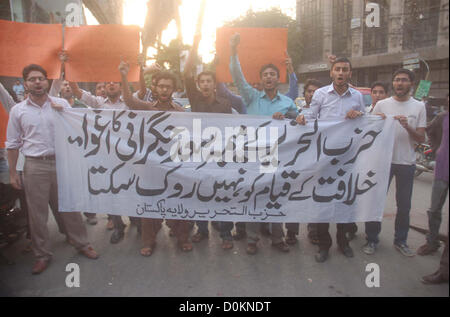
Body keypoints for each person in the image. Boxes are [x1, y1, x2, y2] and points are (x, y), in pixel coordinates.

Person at [6, 64, 99, 274]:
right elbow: (12, 145)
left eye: (40, 78)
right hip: (34, 165)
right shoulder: (18, 111)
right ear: (25, 84)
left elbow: (78, 130)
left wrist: (64, 113)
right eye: (32, 79)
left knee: (70, 207)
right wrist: (13, 173)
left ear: (47, 81)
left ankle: (82, 244)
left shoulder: (60, 104)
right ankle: (42, 255)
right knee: (37, 215)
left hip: (61, 163)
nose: (37, 82)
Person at [229, 33, 298, 255]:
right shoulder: (251, 97)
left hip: (277, 156)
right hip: (253, 155)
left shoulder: (287, 102)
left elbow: (298, 123)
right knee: (252, 197)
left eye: (272, 74)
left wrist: (292, 119)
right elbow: (237, 75)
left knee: (275, 198)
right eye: (265, 75)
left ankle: (277, 239)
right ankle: (252, 239)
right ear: (261, 79)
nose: (269, 77)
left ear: (278, 79)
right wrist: (233, 51)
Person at [296, 57, 366, 263]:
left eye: (345, 69)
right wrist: (302, 117)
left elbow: (365, 120)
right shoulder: (320, 94)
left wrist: (359, 113)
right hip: (324, 157)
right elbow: (310, 116)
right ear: (331, 73)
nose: (341, 73)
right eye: (337, 69)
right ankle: (324, 245)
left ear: (350, 74)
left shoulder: (357, 96)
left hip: (348, 157)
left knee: (345, 201)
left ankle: (343, 242)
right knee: (323, 202)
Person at [120, 59, 193, 255]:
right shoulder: (146, 108)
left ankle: (182, 237)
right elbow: (128, 100)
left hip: (174, 165)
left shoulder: (180, 111)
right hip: (150, 166)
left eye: (168, 87)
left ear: (173, 89)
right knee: (149, 204)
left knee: (178, 202)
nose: (164, 90)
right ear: (155, 87)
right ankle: (149, 241)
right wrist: (124, 75)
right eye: (161, 86)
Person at [363, 69, 426, 257]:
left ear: (411, 84)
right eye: (397, 80)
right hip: (383, 162)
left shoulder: (419, 107)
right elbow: (369, 131)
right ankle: (371, 239)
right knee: (376, 202)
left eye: (404, 80)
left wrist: (407, 126)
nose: (399, 83)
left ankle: (401, 241)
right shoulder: (382, 104)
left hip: (406, 162)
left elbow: (421, 138)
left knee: (404, 205)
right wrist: (378, 122)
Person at [182, 33, 235, 250]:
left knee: (222, 193)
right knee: (201, 193)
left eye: (208, 81)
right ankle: (202, 230)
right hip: (199, 155)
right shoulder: (195, 100)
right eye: (201, 81)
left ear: (215, 84)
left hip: (221, 156)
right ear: (198, 84)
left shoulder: (225, 103)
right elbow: (185, 73)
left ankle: (225, 233)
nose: (205, 84)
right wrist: (194, 45)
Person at [285, 78, 323, 246]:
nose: (312, 94)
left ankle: (313, 231)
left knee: (315, 198)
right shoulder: (295, 112)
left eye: (316, 92)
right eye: (309, 91)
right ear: (304, 94)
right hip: (298, 162)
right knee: (294, 197)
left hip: (319, 161)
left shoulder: (326, 115)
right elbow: (284, 127)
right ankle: (291, 232)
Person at [421, 97, 448, 284]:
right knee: (434, 209)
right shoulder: (442, 118)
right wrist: (437, 148)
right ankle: (432, 242)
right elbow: (428, 131)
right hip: (442, 171)